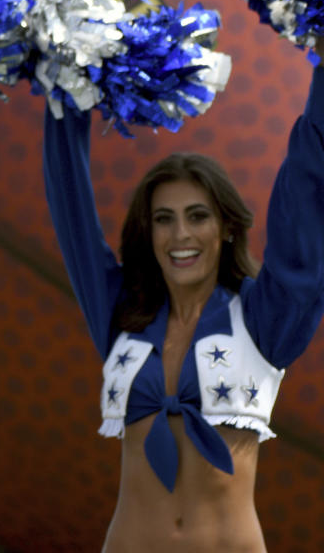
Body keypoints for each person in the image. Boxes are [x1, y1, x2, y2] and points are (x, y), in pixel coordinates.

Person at [43, 40, 324, 550]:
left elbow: (304, 211)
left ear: (227, 229)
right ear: (148, 234)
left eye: (198, 217)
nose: (181, 237)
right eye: (163, 220)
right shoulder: (121, 315)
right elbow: (72, 213)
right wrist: (69, 79)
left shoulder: (262, 322)